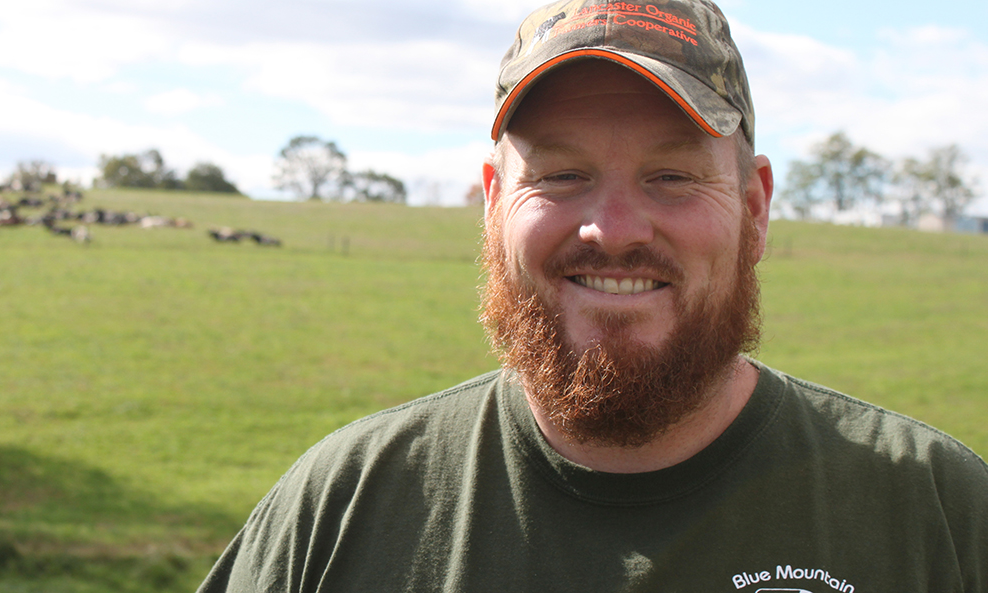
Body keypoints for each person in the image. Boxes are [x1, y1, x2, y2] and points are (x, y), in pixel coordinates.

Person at [200, 1, 988, 591]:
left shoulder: (935, 511)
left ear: (753, 208)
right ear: (492, 204)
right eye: (559, 174)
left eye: (672, 176)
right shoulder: (342, 508)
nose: (610, 230)